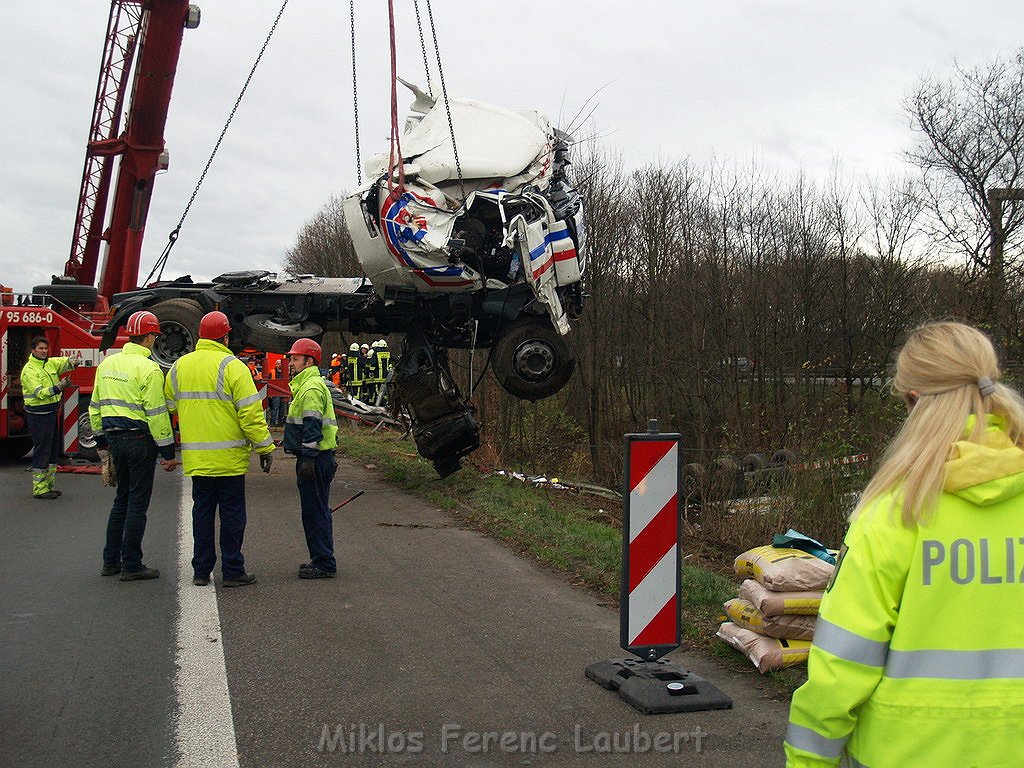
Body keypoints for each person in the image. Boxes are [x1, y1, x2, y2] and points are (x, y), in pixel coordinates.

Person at [784, 321, 1024, 767]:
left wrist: (807, 759)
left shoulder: (895, 512)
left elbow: (844, 662)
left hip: (903, 752)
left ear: (914, 401)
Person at [164, 311, 275, 588]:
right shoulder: (234, 367)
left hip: (198, 459)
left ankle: (201, 571)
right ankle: (233, 571)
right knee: (232, 516)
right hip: (229, 460)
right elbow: (250, 416)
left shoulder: (180, 366)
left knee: (201, 514)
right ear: (225, 336)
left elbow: (170, 405)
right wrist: (265, 447)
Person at [89, 311, 180, 580]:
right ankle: (131, 564)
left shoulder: (107, 364)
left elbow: (96, 407)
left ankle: (110, 561)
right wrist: (167, 452)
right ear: (150, 337)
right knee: (138, 504)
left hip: (115, 439)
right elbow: (156, 413)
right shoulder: (149, 368)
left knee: (121, 500)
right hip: (140, 441)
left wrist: (101, 441)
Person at [283, 338, 338, 579]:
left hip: (314, 458)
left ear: (309, 361)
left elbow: (312, 425)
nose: (291, 363)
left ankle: (324, 562)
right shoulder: (308, 385)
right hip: (318, 457)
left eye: (295, 359)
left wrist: (307, 457)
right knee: (317, 510)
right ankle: (321, 558)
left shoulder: (311, 388)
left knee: (314, 512)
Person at [20, 335, 79, 499]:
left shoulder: (50, 363)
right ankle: (39, 489)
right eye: (40, 348)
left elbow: (64, 362)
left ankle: (49, 486)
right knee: (42, 450)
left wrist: (72, 361)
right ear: (33, 350)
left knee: (53, 451)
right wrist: (59, 387)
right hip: (38, 415)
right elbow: (40, 393)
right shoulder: (29, 370)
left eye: (45, 348)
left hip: (51, 413)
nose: (44, 351)